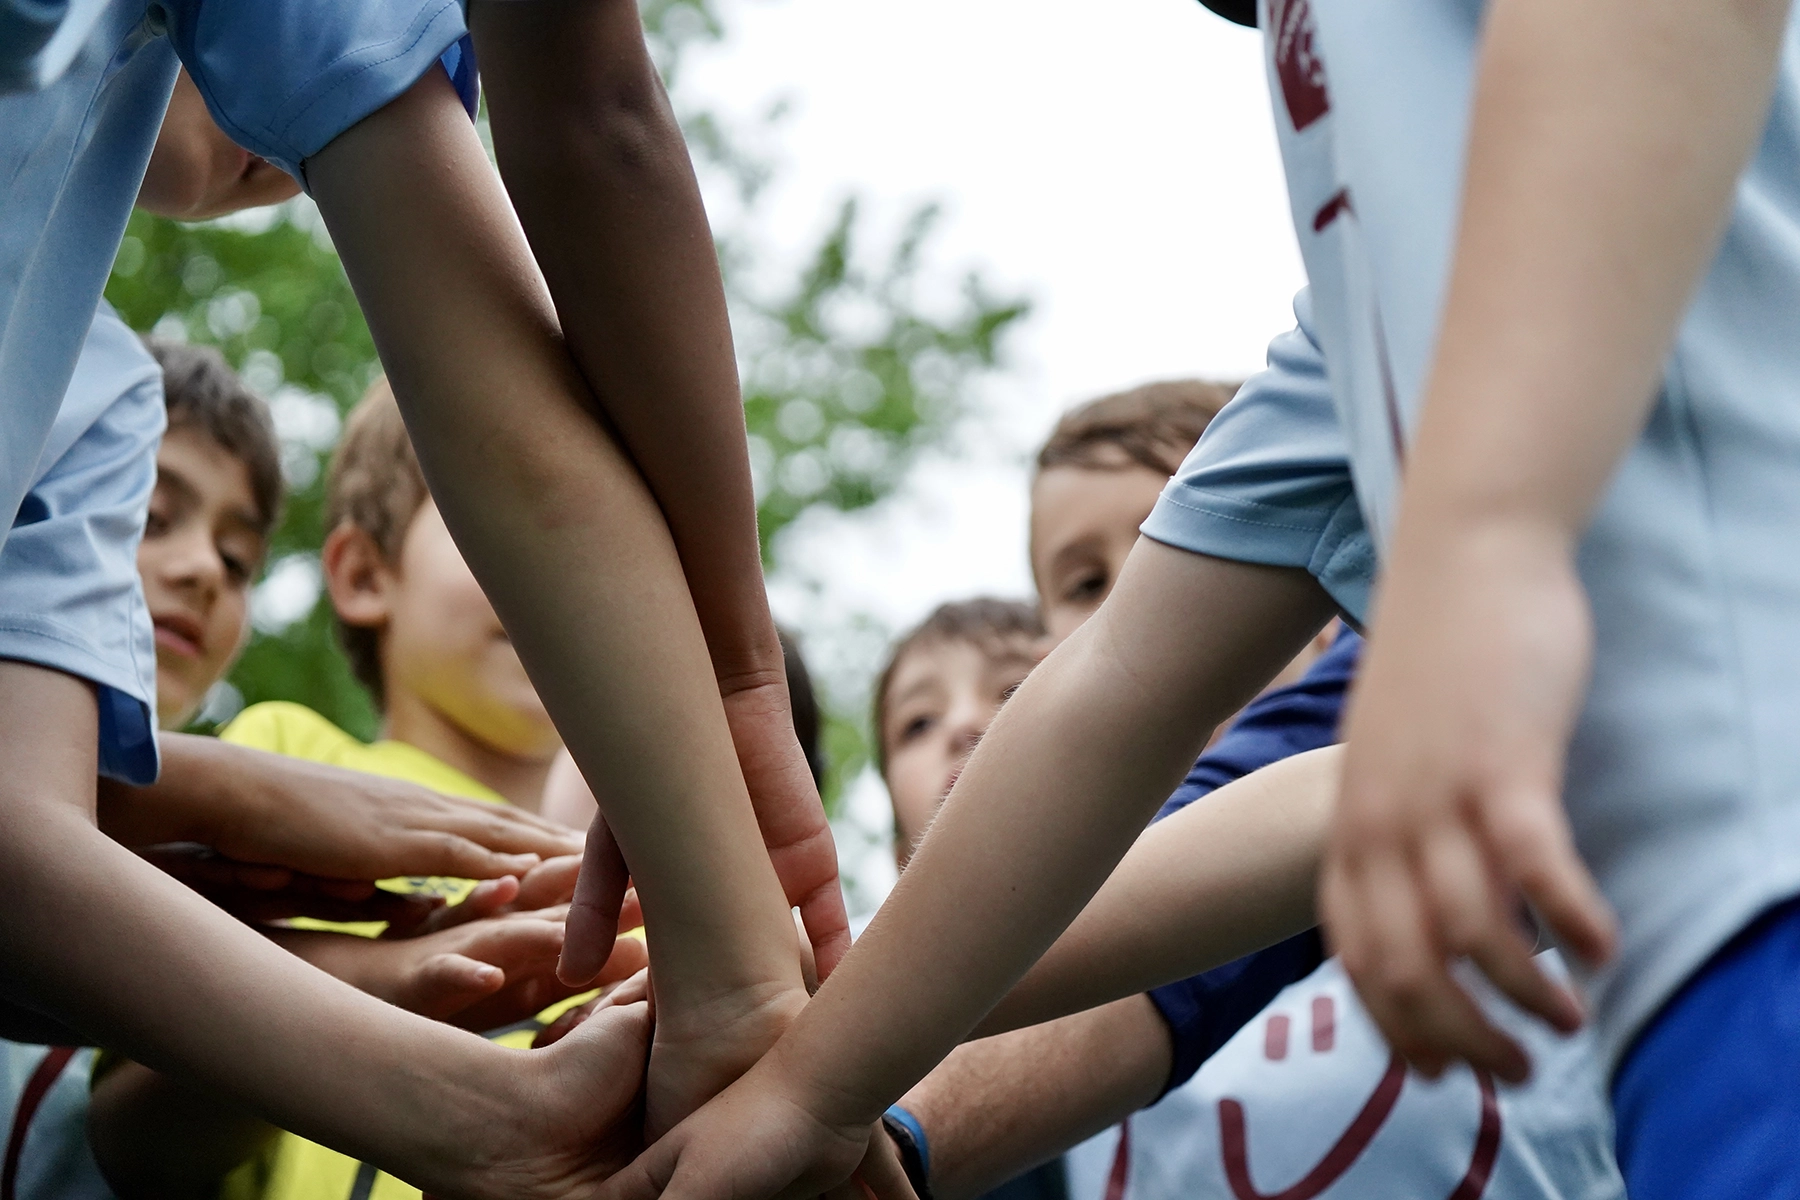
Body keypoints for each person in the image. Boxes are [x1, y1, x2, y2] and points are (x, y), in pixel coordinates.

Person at [3, 0, 846, 1186]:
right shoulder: (294, 743)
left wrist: (506, 1110)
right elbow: (587, 109)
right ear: (358, 573)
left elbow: (23, 863)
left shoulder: (87, 408)